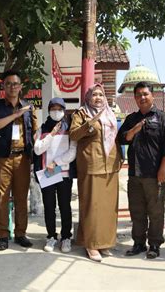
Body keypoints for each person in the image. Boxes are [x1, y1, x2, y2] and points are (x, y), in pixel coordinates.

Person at [117, 81, 165, 259]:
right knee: (137, 211)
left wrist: (163, 169)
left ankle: (155, 244)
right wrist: (134, 130)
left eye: (145, 94)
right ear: (134, 98)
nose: (142, 97)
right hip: (135, 174)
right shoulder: (130, 119)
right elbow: (122, 139)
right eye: (138, 95)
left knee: (156, 212)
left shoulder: (163, 118)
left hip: (155, 174)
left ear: (152, 96)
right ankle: (139, 243)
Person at [69, 84, 122, 262]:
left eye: (101, 94)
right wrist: (90, 123)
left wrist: (120, 157)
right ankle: (91, 245)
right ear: (88, 97)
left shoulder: (110, 113)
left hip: (111, 165)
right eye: (94, 94)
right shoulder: (81, 113)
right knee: (92, 206)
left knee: (108, 208)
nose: (98, 97)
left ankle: (104, 243)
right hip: (91, 165)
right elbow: (74, 135)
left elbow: (114, 138)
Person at [0, 70, 38, 251]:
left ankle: (21, 234)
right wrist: (15, 115)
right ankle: (2, 235)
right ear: (3, 86)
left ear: (21, 86)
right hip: (2, 158)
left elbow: (35, 131)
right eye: (8, 83)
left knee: (21, 198)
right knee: (1, 197)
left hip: (23, 157)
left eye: (16, 84)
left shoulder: (29, 107)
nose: (12, 87)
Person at [34, 97, 76, 253]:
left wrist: (56, 163)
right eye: (53, 108)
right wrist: (51, 134)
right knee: (49, 206)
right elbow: (38, 149)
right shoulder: (43, 129)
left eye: (59, 109)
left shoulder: (70, 128)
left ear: (64, 110)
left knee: (65, 206)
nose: (56, 112)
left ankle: (66, 237)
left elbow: (72, 152)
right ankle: (51, 236)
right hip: (48, 172)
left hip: (63, 172)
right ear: (49, 110)